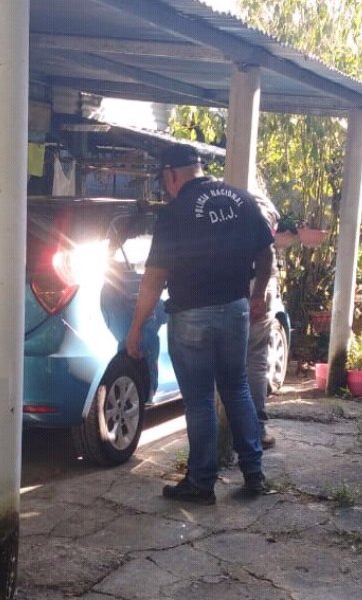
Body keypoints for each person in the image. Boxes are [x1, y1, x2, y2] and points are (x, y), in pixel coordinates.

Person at [126, 143, 274, 505]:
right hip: (236, 309)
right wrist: (258, 294)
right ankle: (254, 474)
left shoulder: (174, 213)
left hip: (191, 315)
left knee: (200, 400)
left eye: (164, 180)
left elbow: (154, 278)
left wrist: (136, 328)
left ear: (172, 175)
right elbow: (266, 250)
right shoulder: (242, 200)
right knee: (237, 388)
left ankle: (202, 482)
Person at [247, 192, 281, 450]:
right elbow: (269, 251)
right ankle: (257, 430)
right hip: (261, 285)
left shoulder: (231, 204)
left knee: (231, 362)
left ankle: (228, 431)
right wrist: (259, 294)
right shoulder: (264, 207)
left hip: (239, 286)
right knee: (255, 361)